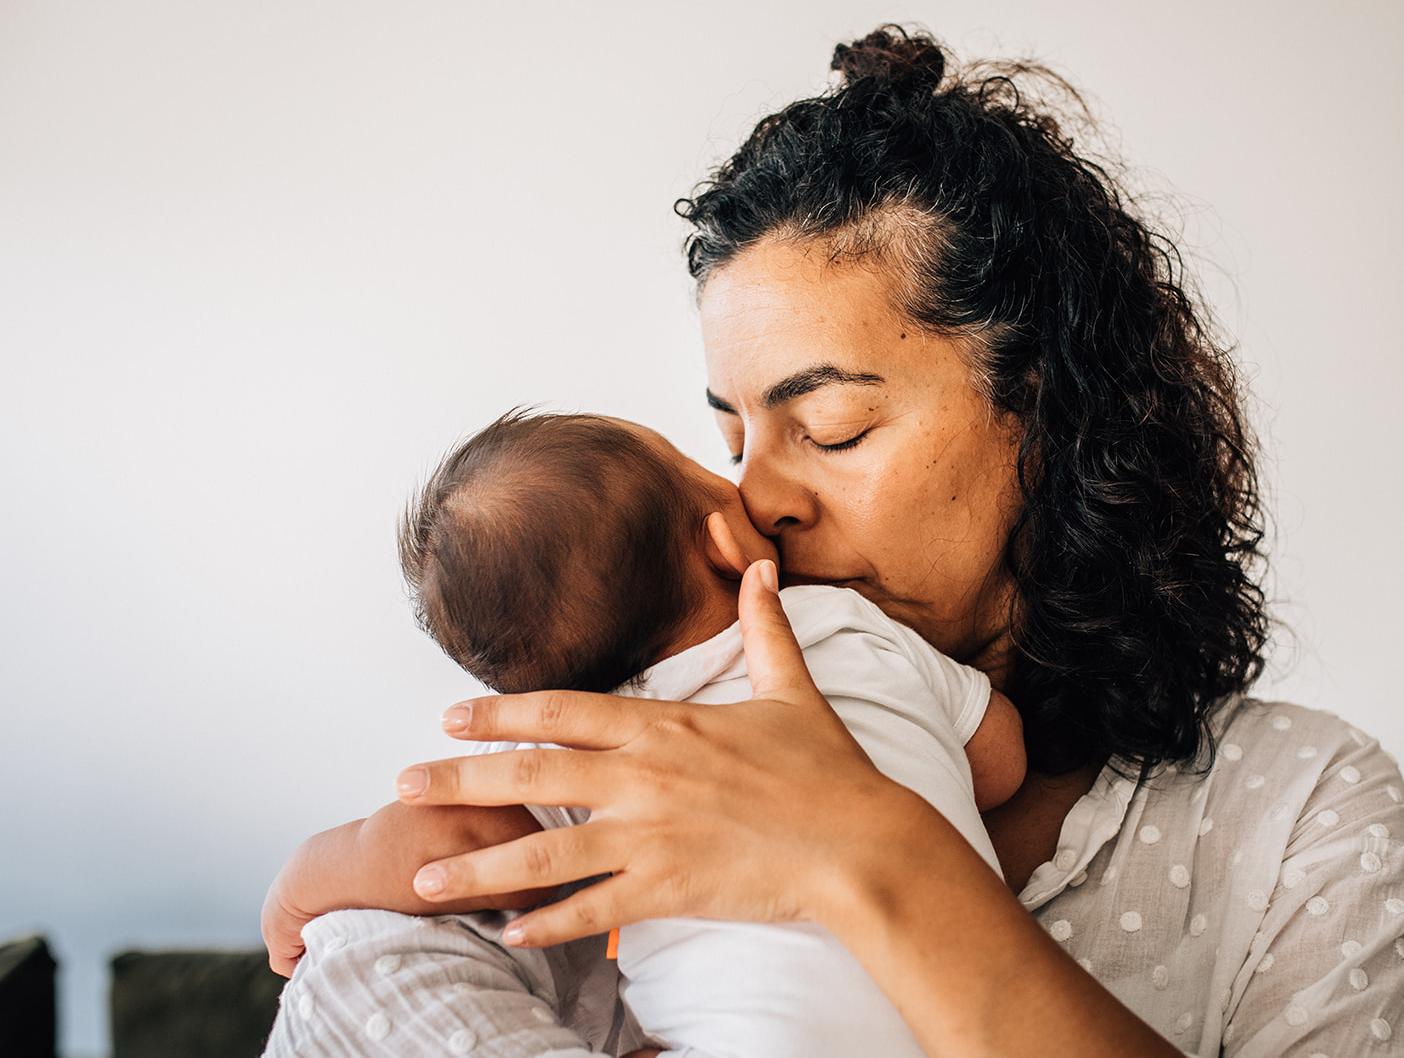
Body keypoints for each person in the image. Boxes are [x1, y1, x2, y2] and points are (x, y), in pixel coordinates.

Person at [271, 25, 1404, 1058]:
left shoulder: (1296, 810)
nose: (757, 496)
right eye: (732, 434)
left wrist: (875, 848)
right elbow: (376, 961)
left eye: (830, 425)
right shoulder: (656, 740)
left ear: (1041, 412)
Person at [261, 409, 1027, 1058]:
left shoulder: (588, 751)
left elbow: (465, 851)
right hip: (973, 1017)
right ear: (721, 542)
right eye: (720, 462)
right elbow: (1000, 760)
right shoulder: (852, 625)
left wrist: (309, 874)